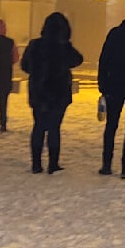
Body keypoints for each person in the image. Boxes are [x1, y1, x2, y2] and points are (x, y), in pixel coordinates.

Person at [20, 11, 83, 174]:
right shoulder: (64, 47)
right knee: (54, 127)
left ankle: (36, 163)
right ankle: (53, 163)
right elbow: (78, 59)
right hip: (59, 92)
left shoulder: (35, 45)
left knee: (39, 126)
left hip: (38, 91)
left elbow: (25, 66)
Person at [97, 3, 125, 178]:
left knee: (111, 126)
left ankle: (106, 163)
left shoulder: (115, 33)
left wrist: (102, 84)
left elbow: (104, 59)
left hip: (114, 85)